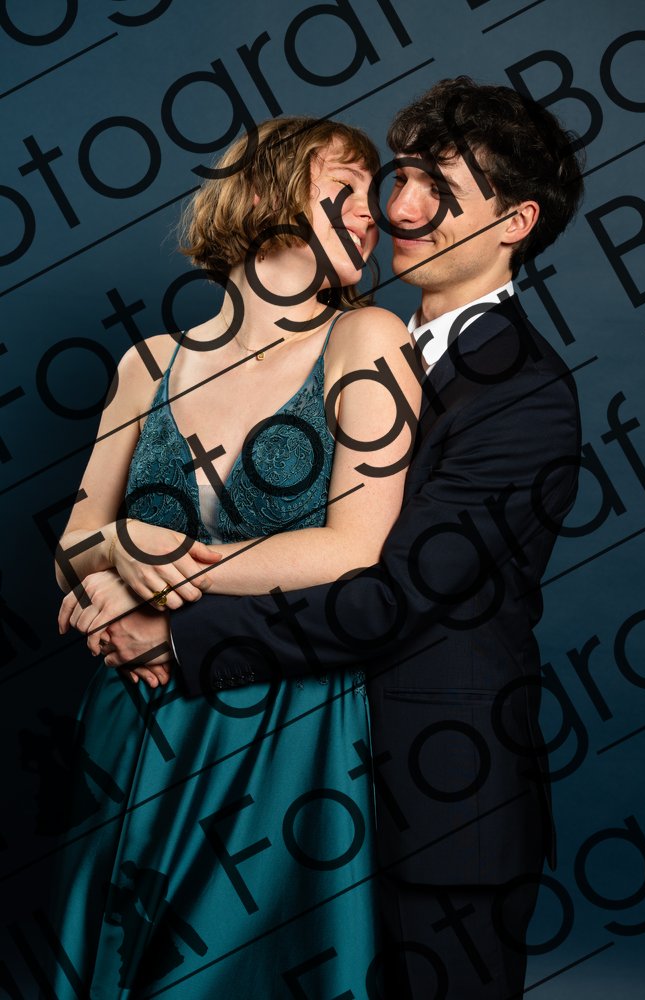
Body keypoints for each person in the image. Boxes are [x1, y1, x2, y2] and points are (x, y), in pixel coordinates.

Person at [101, 77, 585, 998]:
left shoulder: (523, 393)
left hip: (437, 807)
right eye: (405, 178)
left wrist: (174, 632)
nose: (400, 210)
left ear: (514, 221)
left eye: (442, 190)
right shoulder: (346, 345)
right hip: (292, 789)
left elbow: (388, 599)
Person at [53, 115, 420, 997]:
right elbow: (71, 546)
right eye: (344, 189)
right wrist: (121, 546)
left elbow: (351, 548)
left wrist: (157, 566)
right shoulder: (148, 363)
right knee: (117, 961)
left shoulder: (367, 337)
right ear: (263, 195)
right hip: (135, 711)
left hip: (281, 720)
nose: (372, 214)